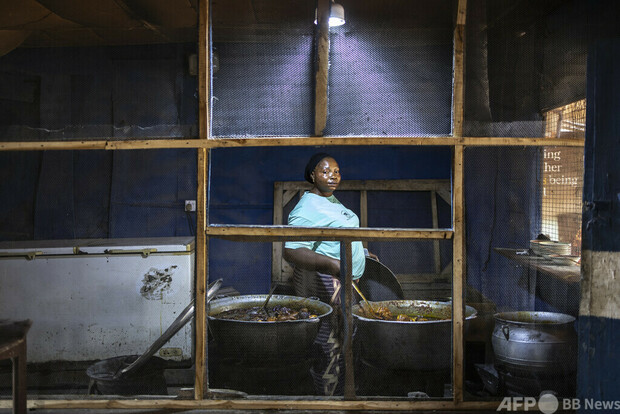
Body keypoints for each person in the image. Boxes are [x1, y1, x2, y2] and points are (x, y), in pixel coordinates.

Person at [283, 152, 375, 396]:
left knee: (345, 342)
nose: (333, 176)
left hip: (346, 281)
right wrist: (333, 265)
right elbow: (291, 250)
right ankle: (326, 402)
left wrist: (361, 252)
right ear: (313, 175)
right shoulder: (307, 205)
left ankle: (343, 397)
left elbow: (335, 236)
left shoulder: (331, 201)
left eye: (336, 172)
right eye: (325, 171)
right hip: (326, 283)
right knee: (329, 346)